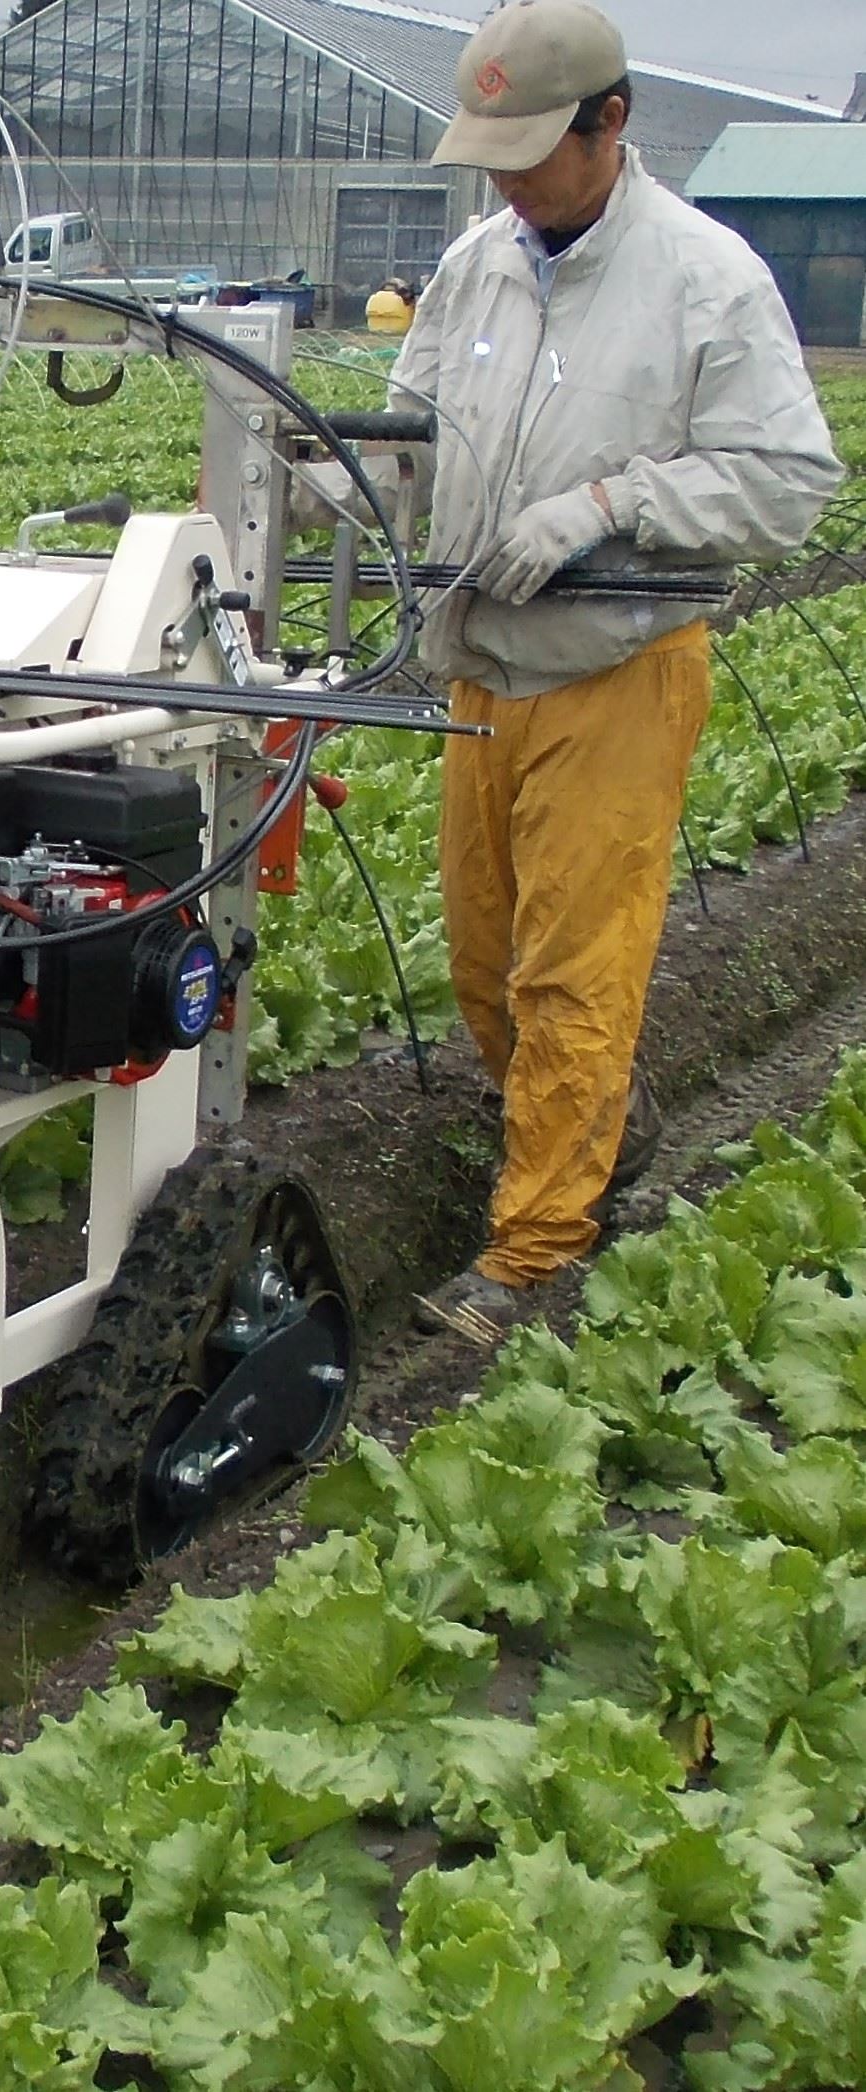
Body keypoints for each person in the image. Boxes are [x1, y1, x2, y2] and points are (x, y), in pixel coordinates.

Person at [391, 0, 844, 1347]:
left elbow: (788, 481)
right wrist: (329, 481)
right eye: (496, 157)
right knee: (485, 965)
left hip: (616, 667)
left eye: (535, 152)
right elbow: (408, 426)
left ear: (614, 123)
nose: (512, 182)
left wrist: (607, 503)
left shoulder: (706, 278)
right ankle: (595, 1124)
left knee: (572, 979)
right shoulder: (479, 262)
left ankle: (529, 1257)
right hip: (486, 666)